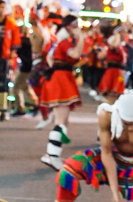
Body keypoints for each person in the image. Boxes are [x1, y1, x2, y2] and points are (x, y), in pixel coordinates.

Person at [39, 15, 83, 171]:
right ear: (70, 27)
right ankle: (51, 155)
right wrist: (81, 38)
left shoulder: (59, 41)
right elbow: (75, 55)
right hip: (61, 80)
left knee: (63, 121)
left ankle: (54, 153)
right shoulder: (63, 42)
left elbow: (50, 58)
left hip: (60, 78)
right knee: (61, 120)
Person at [96, 31, 127, 104]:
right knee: (110, 89)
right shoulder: (111, 49)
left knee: (116, 91)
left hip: (117, 71)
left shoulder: (119, 48)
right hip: (112, 71)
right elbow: (100, 56)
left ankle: (112, 105)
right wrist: (117, 35)